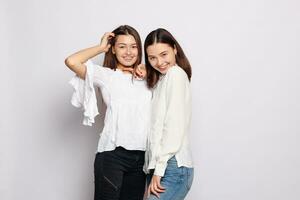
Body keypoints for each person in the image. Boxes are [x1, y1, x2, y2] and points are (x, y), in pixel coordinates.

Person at [65, 25, 151, 200]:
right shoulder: (105, 75)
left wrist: (149, 69)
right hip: (112, 155)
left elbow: (175, 69)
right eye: (122, 46)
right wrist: (100, 47)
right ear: (113, 49)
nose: (128, 52)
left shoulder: (150, 77)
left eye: (133, 46)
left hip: (141, 158)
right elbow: (72, 61)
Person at [142, 28, 194, 200]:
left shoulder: (175, 74)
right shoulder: (161, 81)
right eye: (152, 58)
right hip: (160, 166)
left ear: (175, 49)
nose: (159, 62)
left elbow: (173, 126)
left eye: (164, 54)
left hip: (172, 166)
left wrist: (159, 169)